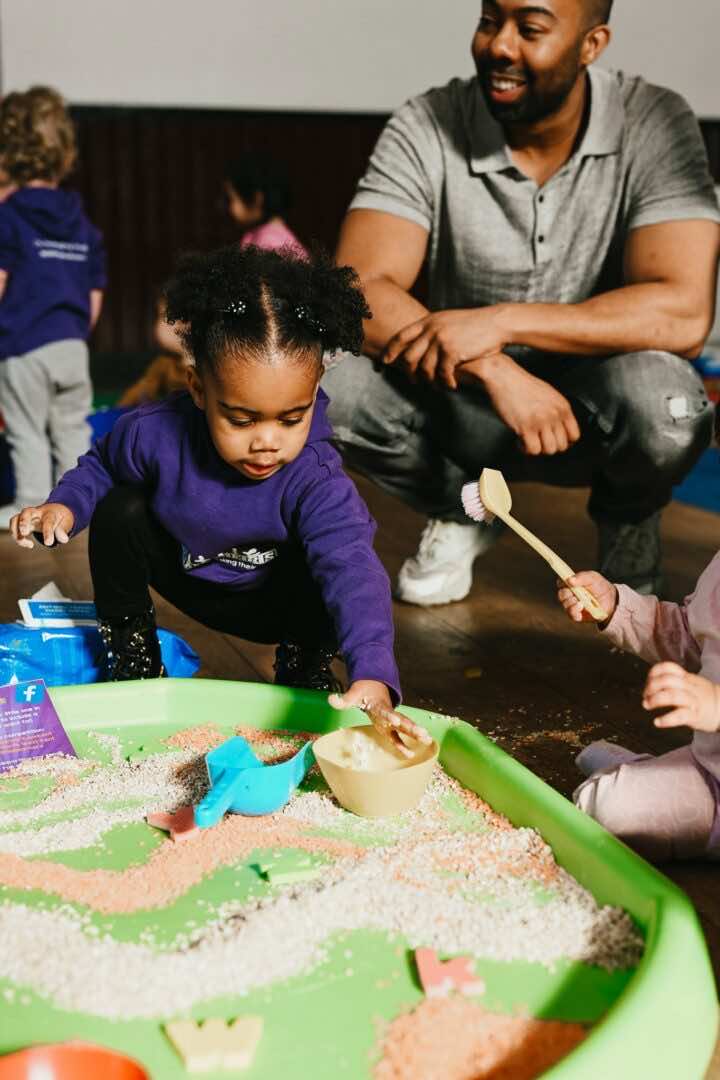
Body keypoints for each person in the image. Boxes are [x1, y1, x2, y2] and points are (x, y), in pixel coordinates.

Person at [323, 0, 720, 607]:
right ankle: (465, 507)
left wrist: (499, 323)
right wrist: (492, 363)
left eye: (530, 29)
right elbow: (355, 291)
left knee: (669, 403)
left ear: (592, 44)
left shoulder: (654, 119)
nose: (499, 46)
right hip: (461, 404)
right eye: (489, 20)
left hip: (597, 409)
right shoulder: (428, 120)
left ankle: (628, 518)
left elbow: (683, 312)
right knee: (328, 383)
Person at [9, 245, 429, 752]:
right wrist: (66, 506)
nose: (267, 440)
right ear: (199, 388)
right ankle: (134, 661)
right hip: (189, 576)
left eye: (290, 418)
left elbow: (354, 570)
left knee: (334, 564)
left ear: (315, 391)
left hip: (274, 602)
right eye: (243, 419)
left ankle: (304, 669)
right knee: (121, 509)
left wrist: (375, 673)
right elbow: (101, 467)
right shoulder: (153, 432)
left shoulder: (317, 478)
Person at [557, 530, 720, 862]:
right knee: (603, 805)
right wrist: (617, 607)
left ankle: (639, 775)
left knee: (604, 809)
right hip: (709, 765)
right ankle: (644, 773)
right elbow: (689, 637)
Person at [0, 86, 106, 530]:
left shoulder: (7, 216)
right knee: (72, 431)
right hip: (72, 345)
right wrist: (74, 333)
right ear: (65, 154)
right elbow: (94, 297)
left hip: (23, 344)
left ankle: (28, 503)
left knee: (25, 430)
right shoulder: (81, 221)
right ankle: (78, 507)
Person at [225, 153, 307, 257]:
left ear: (256, 199)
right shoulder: (268, 235)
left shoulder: (269, 243)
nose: (229, 208)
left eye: (232, 199)